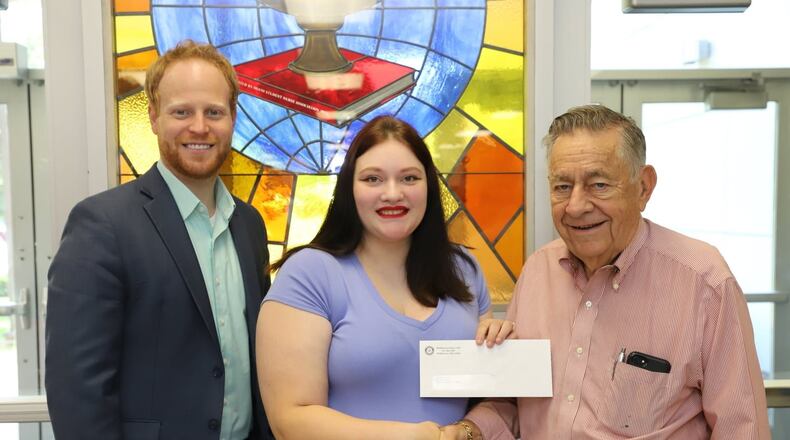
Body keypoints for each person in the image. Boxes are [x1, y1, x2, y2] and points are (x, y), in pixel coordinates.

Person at [446, 104, 770, 439]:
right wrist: (467, 431)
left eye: (598, 184)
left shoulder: (704, 282)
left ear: (643, 187)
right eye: (561, 187)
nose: (576, 206)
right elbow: (517, 403)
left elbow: (742, 428)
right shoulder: (538, 272)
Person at [46, 40, 274, 440]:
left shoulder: (250, 225)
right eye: (181, 111)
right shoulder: (101, 225)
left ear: (233, 117)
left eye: (214, 112)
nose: (199, 127)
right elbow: (78, 389)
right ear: (153, 116)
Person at [255, 115, 515, 440]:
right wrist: (415, 437)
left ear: (429, 187)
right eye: (373, 179)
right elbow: (291, 421)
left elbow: (491, 393)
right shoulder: (309, 274)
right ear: (349, 189)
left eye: (409, 178)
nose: (392, 194)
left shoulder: (464, 269)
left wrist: (498, 349)